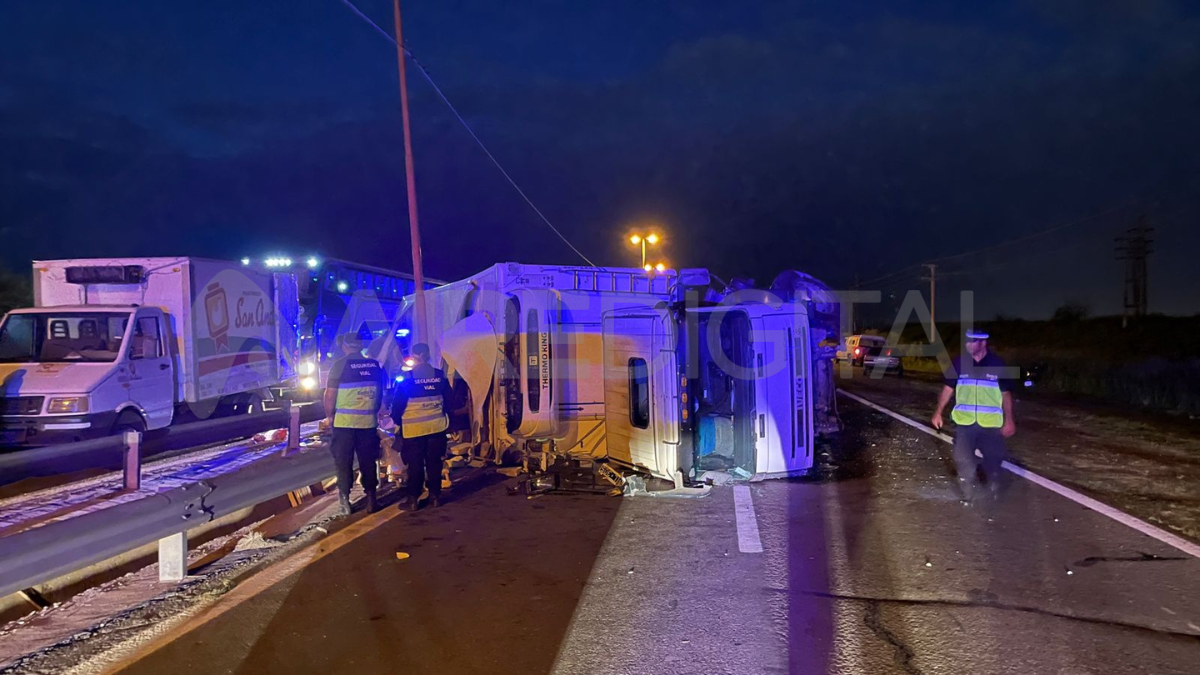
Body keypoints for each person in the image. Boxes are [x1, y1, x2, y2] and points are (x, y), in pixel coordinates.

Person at [932, 330, 1017, 502]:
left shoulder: (997, 364)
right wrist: (938, 412)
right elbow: (948, 389)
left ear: (983, 343)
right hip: (965, 423)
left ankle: (993, 486)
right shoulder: (959, 363)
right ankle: (967, 493)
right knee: (963, 458)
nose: (967, 345)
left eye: (972, 342)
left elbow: (1006, 394)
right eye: (966, 342)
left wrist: (1009, 420)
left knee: (994, 459)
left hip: (990, 425)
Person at [324, 333, 386, 515]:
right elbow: (381, 394)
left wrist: (329, 416)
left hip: (344, 425)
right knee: (368, 461)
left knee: (343, 462)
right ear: (360, 346)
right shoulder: (375, 366)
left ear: (344, 346)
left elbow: (330, 394)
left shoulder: (339, 365)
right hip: (368, 423)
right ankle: (371, 499)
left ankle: (345, 502)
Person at [390, 342, 453, 511]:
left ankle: (413, 500)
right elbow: (450, 401)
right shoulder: (440, 376)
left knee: (415, 465)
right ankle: (435, 497)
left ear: (414, 356)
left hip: (413, 431)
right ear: (428, 355)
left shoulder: (407, 379)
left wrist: (397, 422)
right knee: (434, 464)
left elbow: (397, 408)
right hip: (437, 428)